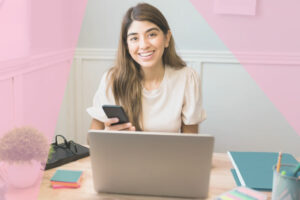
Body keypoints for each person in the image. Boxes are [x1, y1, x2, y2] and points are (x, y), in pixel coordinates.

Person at [87, 3, 206, 133]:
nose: (143, 45)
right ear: (127, 45)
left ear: (166, 38)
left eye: (151, 35)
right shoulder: (112, 79)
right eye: (134, 38)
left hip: (168, 154)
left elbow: (190, 141)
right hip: (124, 153)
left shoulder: (187, 78)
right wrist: (107, 135)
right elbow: (91, 140)